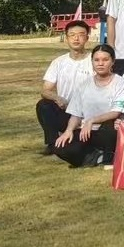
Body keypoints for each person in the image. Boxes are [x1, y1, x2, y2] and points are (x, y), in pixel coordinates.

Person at [51, 45, 124, 167]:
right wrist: (68, 130)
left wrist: (91, 121)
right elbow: (76, 114)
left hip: (109, 130)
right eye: (96, 60)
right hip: (86, 131)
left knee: (111, 125)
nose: (100, 64)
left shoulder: (120, 83)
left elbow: (116, 112)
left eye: (105, 60)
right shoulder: (84, 84)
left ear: (113, 61)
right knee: (60, 147)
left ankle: (107, 156)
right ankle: (97, 157)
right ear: (92, 62)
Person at [37, 19, 94, 153]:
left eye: (80, 35)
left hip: (89, 113)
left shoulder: (95, 60)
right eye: (72, 35)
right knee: (43, 105)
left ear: (87, 38)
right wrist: (58, 98)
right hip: (66, 110)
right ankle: (52, 144)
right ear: (66, 38)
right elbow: (45, 90)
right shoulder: (58, 62)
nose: (76, 38)